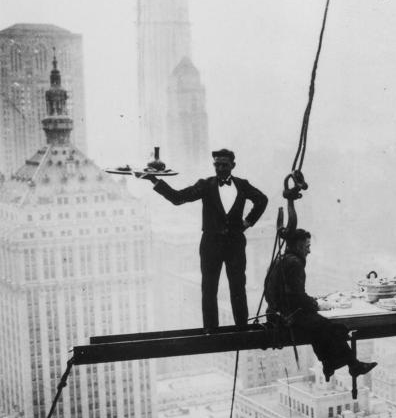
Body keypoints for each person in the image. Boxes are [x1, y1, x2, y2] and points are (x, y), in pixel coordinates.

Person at [144, 148, 267, 331]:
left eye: (224, 165)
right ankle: (210, 329)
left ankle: (242, 327)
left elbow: (262, 200)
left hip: (235, 244)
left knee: (238, 286)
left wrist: (248, 222)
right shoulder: (206, 185)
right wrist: (154, 180)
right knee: (209, 287)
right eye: (217, 165)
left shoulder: (242, 185)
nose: (220, 168)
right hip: (211, 244)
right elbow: (178, 198)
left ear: (233, 165)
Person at [264, 229, 376, 380]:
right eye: (307, 246)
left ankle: (333, 364)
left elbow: (285, 293)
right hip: (287, 316)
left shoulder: (281, 259)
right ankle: (350, 365)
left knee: (321, 327)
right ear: (298, 247)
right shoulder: (295, 263)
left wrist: (312, 303)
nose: (309, 251)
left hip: (276, 313)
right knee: (333, 327)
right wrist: (317, 305)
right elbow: (298, 296)